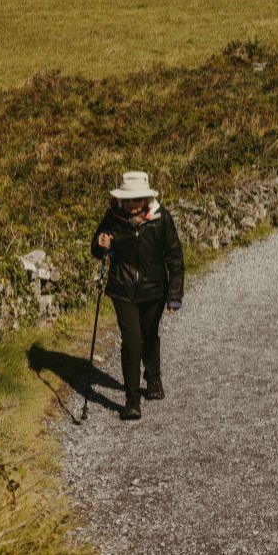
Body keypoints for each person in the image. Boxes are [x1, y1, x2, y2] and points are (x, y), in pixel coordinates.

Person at [90, 171, 185, 421]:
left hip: (154, 290)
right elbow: (96, 249)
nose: (132, 204)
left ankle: (153, 378)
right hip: (122, 289)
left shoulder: (161, 219)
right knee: (132, 341)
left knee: (149, 336)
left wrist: (174, 295)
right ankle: (132, 400)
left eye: (137, 199)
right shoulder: (112, 217)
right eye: (128, 200)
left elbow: (174, 257)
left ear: (145, 198)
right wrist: (101, 244)